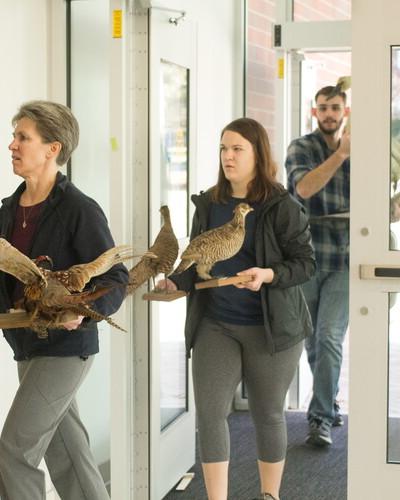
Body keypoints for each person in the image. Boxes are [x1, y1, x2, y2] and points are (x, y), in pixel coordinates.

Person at [158, 117, 316, 500]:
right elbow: (199, 258)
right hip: (217, 323)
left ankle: (269, 495)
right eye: (223, 149)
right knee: (210, 414)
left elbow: (305, 263)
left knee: (268, 415)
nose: (228, 157)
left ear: (257, 154)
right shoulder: (209, 203)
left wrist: (267, 274)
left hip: (271, 328)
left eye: (237, 149)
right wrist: (176, 282)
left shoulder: (281, 206)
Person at [0, 100, 128, 500]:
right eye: (14, 136)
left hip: (66, 348)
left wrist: (82, 313)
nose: (12, 145)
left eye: (23, 137)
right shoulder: (6, 211)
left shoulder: (78, 209)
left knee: (13, 454)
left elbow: (115, 277)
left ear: (52, 148)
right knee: (68, 456)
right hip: (26, 345)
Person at [285, 86, 351, 447]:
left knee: (328, 336)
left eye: (335, 107)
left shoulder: (363, 149)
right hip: (307, 259)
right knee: (313, 341)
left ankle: (320, 419)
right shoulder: (301, 147)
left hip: (345, 259)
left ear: (346, 111)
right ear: (314, 112)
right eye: (323, 108)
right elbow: (305, 189)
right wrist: (341, 155)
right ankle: (330, 404)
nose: (329, 113)